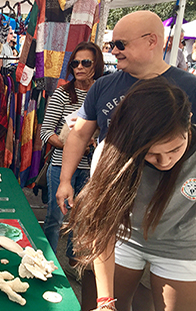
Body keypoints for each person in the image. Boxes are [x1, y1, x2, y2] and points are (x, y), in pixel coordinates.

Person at [67, 78, 196, 311]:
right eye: (151, 153)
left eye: (175, 149)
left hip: (184, 244)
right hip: (125, 236)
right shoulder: (110, 152)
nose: (165, 161)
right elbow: (102, 228)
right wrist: (105, 303)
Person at [56, 10, 196, 215]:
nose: (113, 51)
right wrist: (65, 180)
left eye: (121, 44)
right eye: (112, 45)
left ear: (151, 41)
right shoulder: (103, 85)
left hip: (167, 211)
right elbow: (78, 134)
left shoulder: (190, 87)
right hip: (109, 202)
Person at [40, 41, 103, 255]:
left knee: (81, 217)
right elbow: (46, 131)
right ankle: (46, 260)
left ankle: (73, 259)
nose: (79, 67)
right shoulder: (62, 94)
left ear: (97, 65)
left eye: (86, 62)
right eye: (75, 62)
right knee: (55, 217)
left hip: (90, 167)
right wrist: (73, 146)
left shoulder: (102, 94)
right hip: (60, 165)